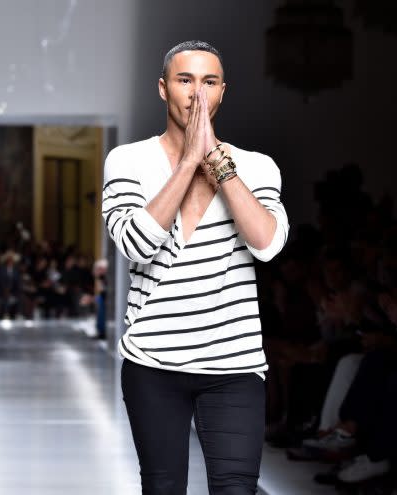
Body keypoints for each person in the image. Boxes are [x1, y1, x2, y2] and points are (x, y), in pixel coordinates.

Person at [101, 40, 289, 494]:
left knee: (236, 488)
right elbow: (135, 245)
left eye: (209, 82)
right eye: (185, 80)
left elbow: (266, 245)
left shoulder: (256, 168)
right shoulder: (128, 161)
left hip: (234, 364)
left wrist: (218, 166)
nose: (197, 95)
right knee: (163, 487)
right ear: (163, 89)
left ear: (224, 91)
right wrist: (187, 163)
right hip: (153, 361)